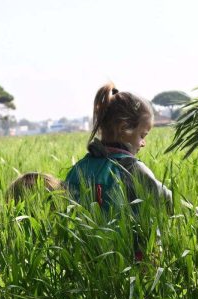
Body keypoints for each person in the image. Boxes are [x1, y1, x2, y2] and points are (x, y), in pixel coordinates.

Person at [65, 82, 173, 211]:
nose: (143, 143)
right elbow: (169, 201)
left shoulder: (78, 168)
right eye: (142, 136)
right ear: (124, 128)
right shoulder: (132, 169)